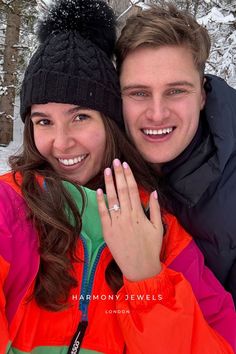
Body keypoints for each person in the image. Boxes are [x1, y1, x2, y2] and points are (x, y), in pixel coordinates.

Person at [0, 1, 235, 353]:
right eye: (43, 121)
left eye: (80, 117)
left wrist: (147, 279)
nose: (62, 142)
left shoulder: (161, 226)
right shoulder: (10, 207)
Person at [115, 2, 236, 305]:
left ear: (202, 95)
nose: (157, 114)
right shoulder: (98, 163)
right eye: (139, 93)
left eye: (176, 91)